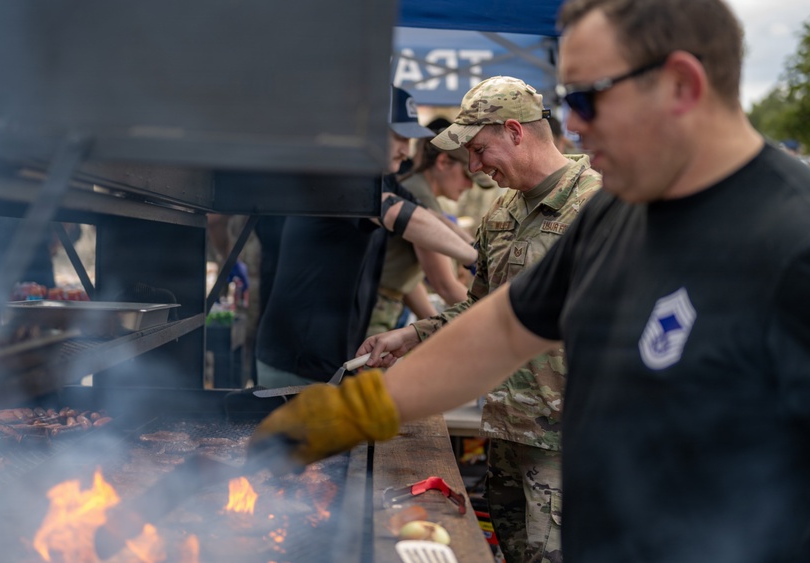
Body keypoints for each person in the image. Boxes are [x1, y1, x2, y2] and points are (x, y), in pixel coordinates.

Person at [250, 1, 810, 561]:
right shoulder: (617, 211)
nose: (572, 126)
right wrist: (359, 410)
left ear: (680, 85)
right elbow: (502, 328)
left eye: (587, 99)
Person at [359, 76, 602, 563]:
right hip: (507, 435)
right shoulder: (502, 212)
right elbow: (481, 308)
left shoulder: (598, 205)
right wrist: (413, 334)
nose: (474, 167)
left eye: (478, 150)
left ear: (515, 131)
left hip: (567, 442)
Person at [254, 87, 479, 388]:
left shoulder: (380, 178)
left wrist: (478, 249)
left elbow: (429, 215)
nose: (407, 150)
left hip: (328, 358)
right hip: (297, 358)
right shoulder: (341, 172)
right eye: (400, 138)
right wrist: (475, 258)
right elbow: (401, 216)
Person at [366, 130, 475, 337]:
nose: (470, 185)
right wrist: (497, 316)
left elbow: (407, 281)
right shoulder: (421, 194)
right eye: (467, 175)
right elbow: (445, 285)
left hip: (382, 304)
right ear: (443, 162)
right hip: (375, 305)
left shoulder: (418, 189)